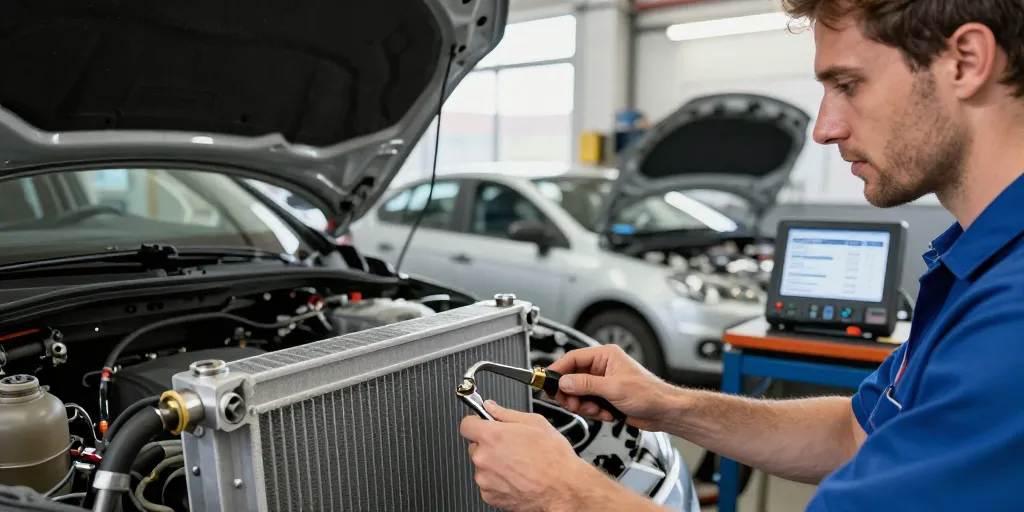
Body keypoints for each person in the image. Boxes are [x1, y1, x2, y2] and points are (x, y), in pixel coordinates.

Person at [459, 0, 1024, 510]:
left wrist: (567, 494)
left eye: (848, 84)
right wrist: (670, 405)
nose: (824, 129)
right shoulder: (973, 268)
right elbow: (854, 433)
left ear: (965, 61)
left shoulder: (1011, 316)